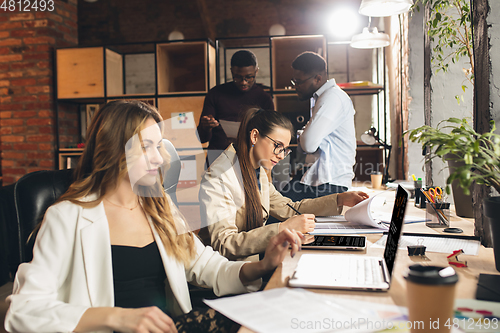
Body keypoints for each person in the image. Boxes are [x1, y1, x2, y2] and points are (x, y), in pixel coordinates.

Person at [4, 100, 303, 333]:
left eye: (159, 146)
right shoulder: (66, 217)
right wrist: (119, 318)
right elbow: (23, 311)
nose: (161, 158)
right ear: (113, 150)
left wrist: (264, 265)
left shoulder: (160, 208)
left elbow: (208, 266)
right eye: (147, 147)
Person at [198, 108, 368, 261]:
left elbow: (290, 208)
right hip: (225, 275)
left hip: (250, 267)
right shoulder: (219, 177)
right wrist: (282, 228)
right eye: (277, 146)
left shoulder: (256, 170)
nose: (281, 156)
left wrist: (339, 199)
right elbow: (224, 244)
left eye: (285, 149)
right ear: (255, 136)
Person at [280, 51, 357, 202]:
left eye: (299, 81)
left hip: (329, 183)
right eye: (294, 81)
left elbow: (308, 144)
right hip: (318, 180)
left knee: (274, 212)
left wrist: (302, 134)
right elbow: (308, 143)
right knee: (274, 207)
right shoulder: (322, 98)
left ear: (317, 78)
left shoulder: (332, 98)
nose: (296, 86)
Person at [197, 50, 274, 166]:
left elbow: (271, 137)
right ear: (231, 71)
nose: (243, 82)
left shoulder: (264, 98)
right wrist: (206, 127)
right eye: (237, 77)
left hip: (250, 159)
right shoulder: (216, 94)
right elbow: (202, 138)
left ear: (256, 71)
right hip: (218, 157)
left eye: (249, 77)